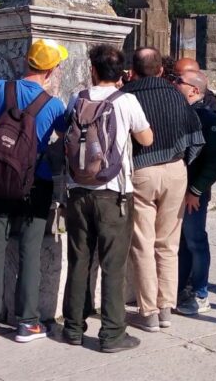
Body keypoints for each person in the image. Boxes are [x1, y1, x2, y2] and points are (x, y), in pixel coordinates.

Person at [0, 39, 68, 343]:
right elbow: (65, 133)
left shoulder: (0, 88)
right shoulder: (54, 106)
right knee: (30, 251)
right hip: (34, 183)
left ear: (27, 62)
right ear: (52, 69)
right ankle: (27, 322)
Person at [62, 44, 153, 353]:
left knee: (79, 260)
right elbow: (146, 138)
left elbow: (65, 132)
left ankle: (73, 328)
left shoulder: (78, 98)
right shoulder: (127, 100)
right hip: (114, 192)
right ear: (122, 73)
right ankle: (112, 333)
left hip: (77, 191)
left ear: (93, 70)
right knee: (113, 265)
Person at [121, 47, 205, 332]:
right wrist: (182, 164)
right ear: (160, 70)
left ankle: (148, 313)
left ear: (132, 69)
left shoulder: (126, 96)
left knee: (142, 243)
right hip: (175, 170)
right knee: (168, 243)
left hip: (141, 171)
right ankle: (166, 308)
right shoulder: (175, 94)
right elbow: (196, 137)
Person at [174, 70, 216, 315]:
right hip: (179, 189)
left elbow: (213, 161)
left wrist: (196, 191)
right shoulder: (181, 112)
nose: (175, 84)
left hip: (194, 192)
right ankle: (181, 287)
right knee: (183, 241)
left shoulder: (209, 118)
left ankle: (201, 293)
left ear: (194, 90)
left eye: (179, 82)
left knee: (195, 240)